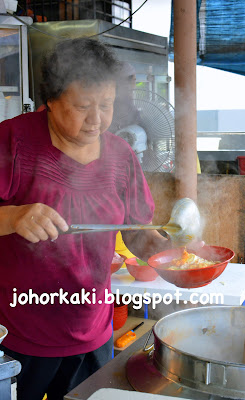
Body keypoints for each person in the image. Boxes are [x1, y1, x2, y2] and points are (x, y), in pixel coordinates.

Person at [0, 37, 171, 400]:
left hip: (94, 334)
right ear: (50, 101)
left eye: (106, 105)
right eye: (82, 106)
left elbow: (138, 233)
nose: (97, 119)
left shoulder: (121, 155)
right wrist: (13, 216)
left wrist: (168, 253)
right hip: (19, 335)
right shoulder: (12, 142)